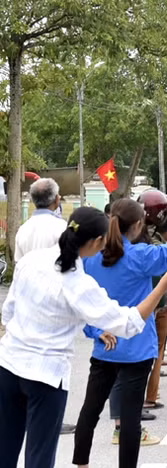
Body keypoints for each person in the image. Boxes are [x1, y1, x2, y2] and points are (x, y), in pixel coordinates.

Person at [0, 207, 167, 468]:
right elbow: (128, 323)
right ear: (97, 242)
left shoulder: (30, 261)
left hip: (8, 365)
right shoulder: (78, 283)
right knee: (39, 455)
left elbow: (8, 312)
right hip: (46, 376)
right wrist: (163, 285)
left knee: (5, 450)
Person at [72, 198, 167, 468]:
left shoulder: (90, 258)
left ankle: (81, 465)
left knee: (89, 412)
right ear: (139, 225)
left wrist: (95, 330)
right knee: (130, 421)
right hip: (136, 350)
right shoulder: (140, 256)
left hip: (104, 348)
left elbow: (80, 304)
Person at [13, 178, 79, 436]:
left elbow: (18, 266)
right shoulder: (62, 228)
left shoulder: (23, 230)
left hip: (28, 302)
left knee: (29, 361)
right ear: (56, 200)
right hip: (54, 302)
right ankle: (51, 418)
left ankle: (32, 415)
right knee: (53, 361)